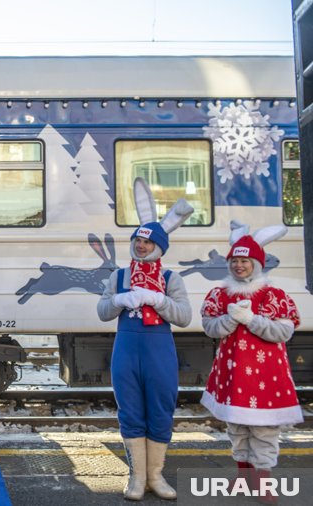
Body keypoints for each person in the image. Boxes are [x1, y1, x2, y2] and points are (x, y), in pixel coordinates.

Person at [97, 178, 193, 501]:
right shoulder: (119, 276)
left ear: (159, 247)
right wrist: (119, 301)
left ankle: (156, 476)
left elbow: (184, 316)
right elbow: (102, 311)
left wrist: (158, 300)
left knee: (161, 410)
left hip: (158, 351)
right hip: (126, 351)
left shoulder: (170, 278)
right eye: (139, 240)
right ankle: (136, 478)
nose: (141, 246)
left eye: (148, 243)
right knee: (130, 411)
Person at [200, 221, 303, 505]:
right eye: (235, 260)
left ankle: (263, 481)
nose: (239, 265)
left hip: (266, 374)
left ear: (257, 263)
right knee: (238, 427)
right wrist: (230, 319)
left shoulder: (275, 296)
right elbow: (210, 328)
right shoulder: (220, 295)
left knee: (265, 429)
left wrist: (250, 320)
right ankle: (243, 478)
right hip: (233, 372)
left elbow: (283, 332)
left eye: (245, 260)